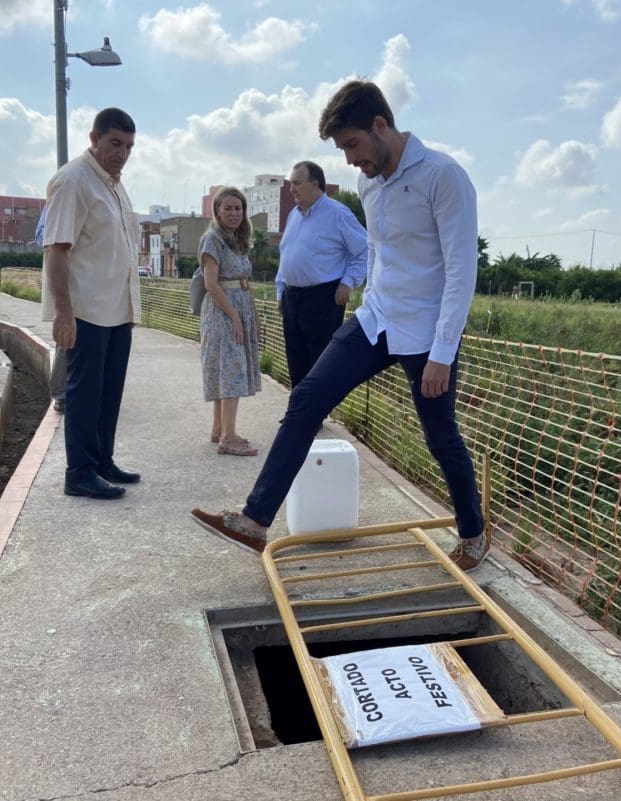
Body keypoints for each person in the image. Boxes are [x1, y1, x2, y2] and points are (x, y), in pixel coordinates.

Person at [192, 80, 489, 570]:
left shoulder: (443, 177)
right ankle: (254, 521)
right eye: (343, 150)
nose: (350, 160)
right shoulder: (369, 184)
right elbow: (376, 252)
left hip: (427, 330)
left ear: (380, 125)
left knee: (440, 436)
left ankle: (474, 533)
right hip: (376, 320)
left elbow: (461, 271)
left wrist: (443, 352)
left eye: (353, 144)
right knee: (306, 398)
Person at [42, 106, 142, 499]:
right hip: (86, 310)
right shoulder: (74, 181)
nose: (122, 153)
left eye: (129, 146)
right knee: (84, 394)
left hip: (117, 309)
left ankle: (102, 461)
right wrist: (64, 313)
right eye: (115, 143)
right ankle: (79, 472)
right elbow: (56, 249)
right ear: (94, 139)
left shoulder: (114, 185)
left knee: (109, 392)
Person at [276, 160, 367, 390]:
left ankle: (316, 410)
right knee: (295, 361)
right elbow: (286, 254)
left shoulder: (337, 214)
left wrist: (348, 282)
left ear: (315, 184)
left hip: (323, 298)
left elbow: (365, 250)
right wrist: (280, 291)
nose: (292, 189)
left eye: (297, 183)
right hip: (292, 299)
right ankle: (299, 408)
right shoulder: (294, 215)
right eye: (291, 184)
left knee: (319, 364)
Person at [198, 187, 262, 456]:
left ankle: (219, 429)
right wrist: (234, 316)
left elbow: (242, 282)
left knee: (225, 369)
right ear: (217, 211)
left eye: (238, 208)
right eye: (228, 208)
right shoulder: (212, 239)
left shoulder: (236, 239)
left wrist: (250, 317)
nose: (234, 213)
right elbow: (211, 284)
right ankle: (229, 438)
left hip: (238, 308)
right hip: (222, 312)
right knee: (231, 371)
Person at [36, 205, 67, 413]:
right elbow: (42, 238)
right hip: (69, 280)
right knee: (66, 339)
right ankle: (61, 393)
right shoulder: (57, 201)